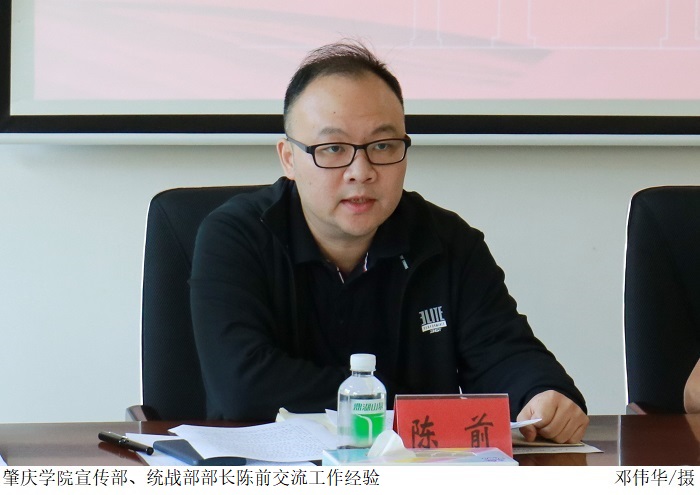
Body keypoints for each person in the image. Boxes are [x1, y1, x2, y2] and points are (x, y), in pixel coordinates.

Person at [190, 40, 589, 444]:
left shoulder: (448, 243)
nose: (361, 171)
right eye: (333, 149)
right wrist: (408, 403)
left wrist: (541, 393)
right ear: (289, 159)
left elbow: (503, 353)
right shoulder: (236, 237)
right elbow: (243, 386)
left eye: (382, 146)